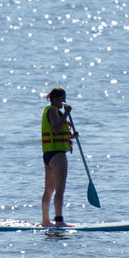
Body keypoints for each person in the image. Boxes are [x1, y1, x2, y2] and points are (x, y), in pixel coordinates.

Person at [40, 87, 77, 227]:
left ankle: (45, 221)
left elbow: (57, 130)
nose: (64, 102)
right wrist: (66, 114)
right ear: (54, 99)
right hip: (57, 156)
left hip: (48, 155)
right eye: (62, 99)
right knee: (59, 190)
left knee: (49, 190)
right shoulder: (53, 111)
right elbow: (56, 128)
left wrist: (71, 136)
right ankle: (59, 220)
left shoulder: (49, 111)